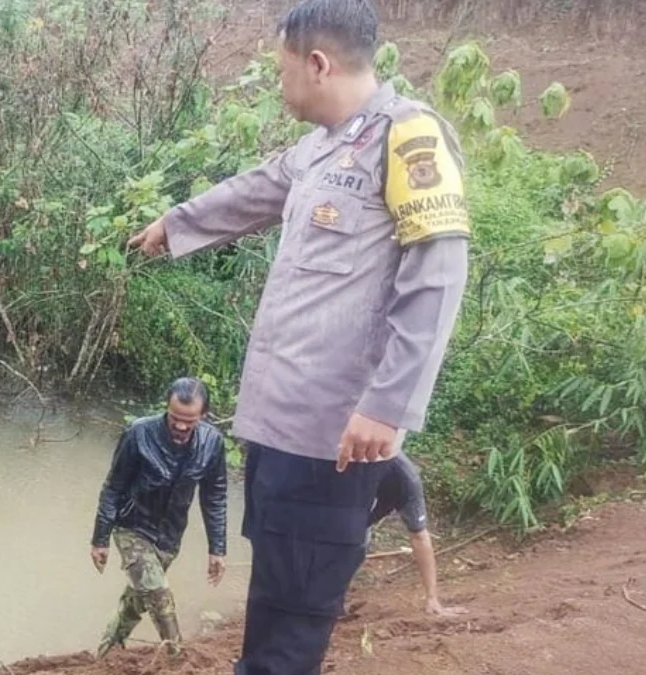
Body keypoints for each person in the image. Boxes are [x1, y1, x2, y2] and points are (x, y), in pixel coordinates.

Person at [126, 0, 472, 672]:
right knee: (277, 591)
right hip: (280, 427)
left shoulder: (408, 137)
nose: (279, 81)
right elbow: (253, 191)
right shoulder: (321, 146)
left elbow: (437, 277)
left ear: (317, 64)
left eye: (282, 68)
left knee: (294, 618)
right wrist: (177, 222)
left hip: (335, 438)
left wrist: (388, 403)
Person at [89, 376, 228, 659]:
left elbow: (214, 497)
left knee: (139, 599)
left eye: (189, 421)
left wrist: (217, 549)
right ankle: (177, 657)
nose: (180, 425)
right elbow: (113, 487)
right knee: (157, 593)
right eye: (175, 417)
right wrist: (100, 539)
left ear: (203, 415)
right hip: (132, 527)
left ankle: (106, 651)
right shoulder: (139, 433)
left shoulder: (212, 443)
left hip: (169, 536)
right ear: (166, 407)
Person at [367, 453, 467, 617]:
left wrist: (432, 598)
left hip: (361, 518)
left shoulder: (405, 479)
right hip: (334, 510)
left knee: (355, 546)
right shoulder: (332, 463)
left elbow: (419, 536)